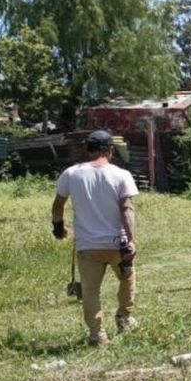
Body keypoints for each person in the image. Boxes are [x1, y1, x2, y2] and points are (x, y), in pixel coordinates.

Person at [50, 130, 138, 346]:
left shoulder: (71, 174)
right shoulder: (121, 175)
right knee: (127, 280)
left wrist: (58, 227)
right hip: (118, 244)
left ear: (88, 150)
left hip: (88, 246)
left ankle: (97, 335)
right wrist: (131, 240)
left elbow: (58, 204)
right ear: (108, 150)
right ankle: (124, 318)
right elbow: (126, 208)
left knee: (90, 291)